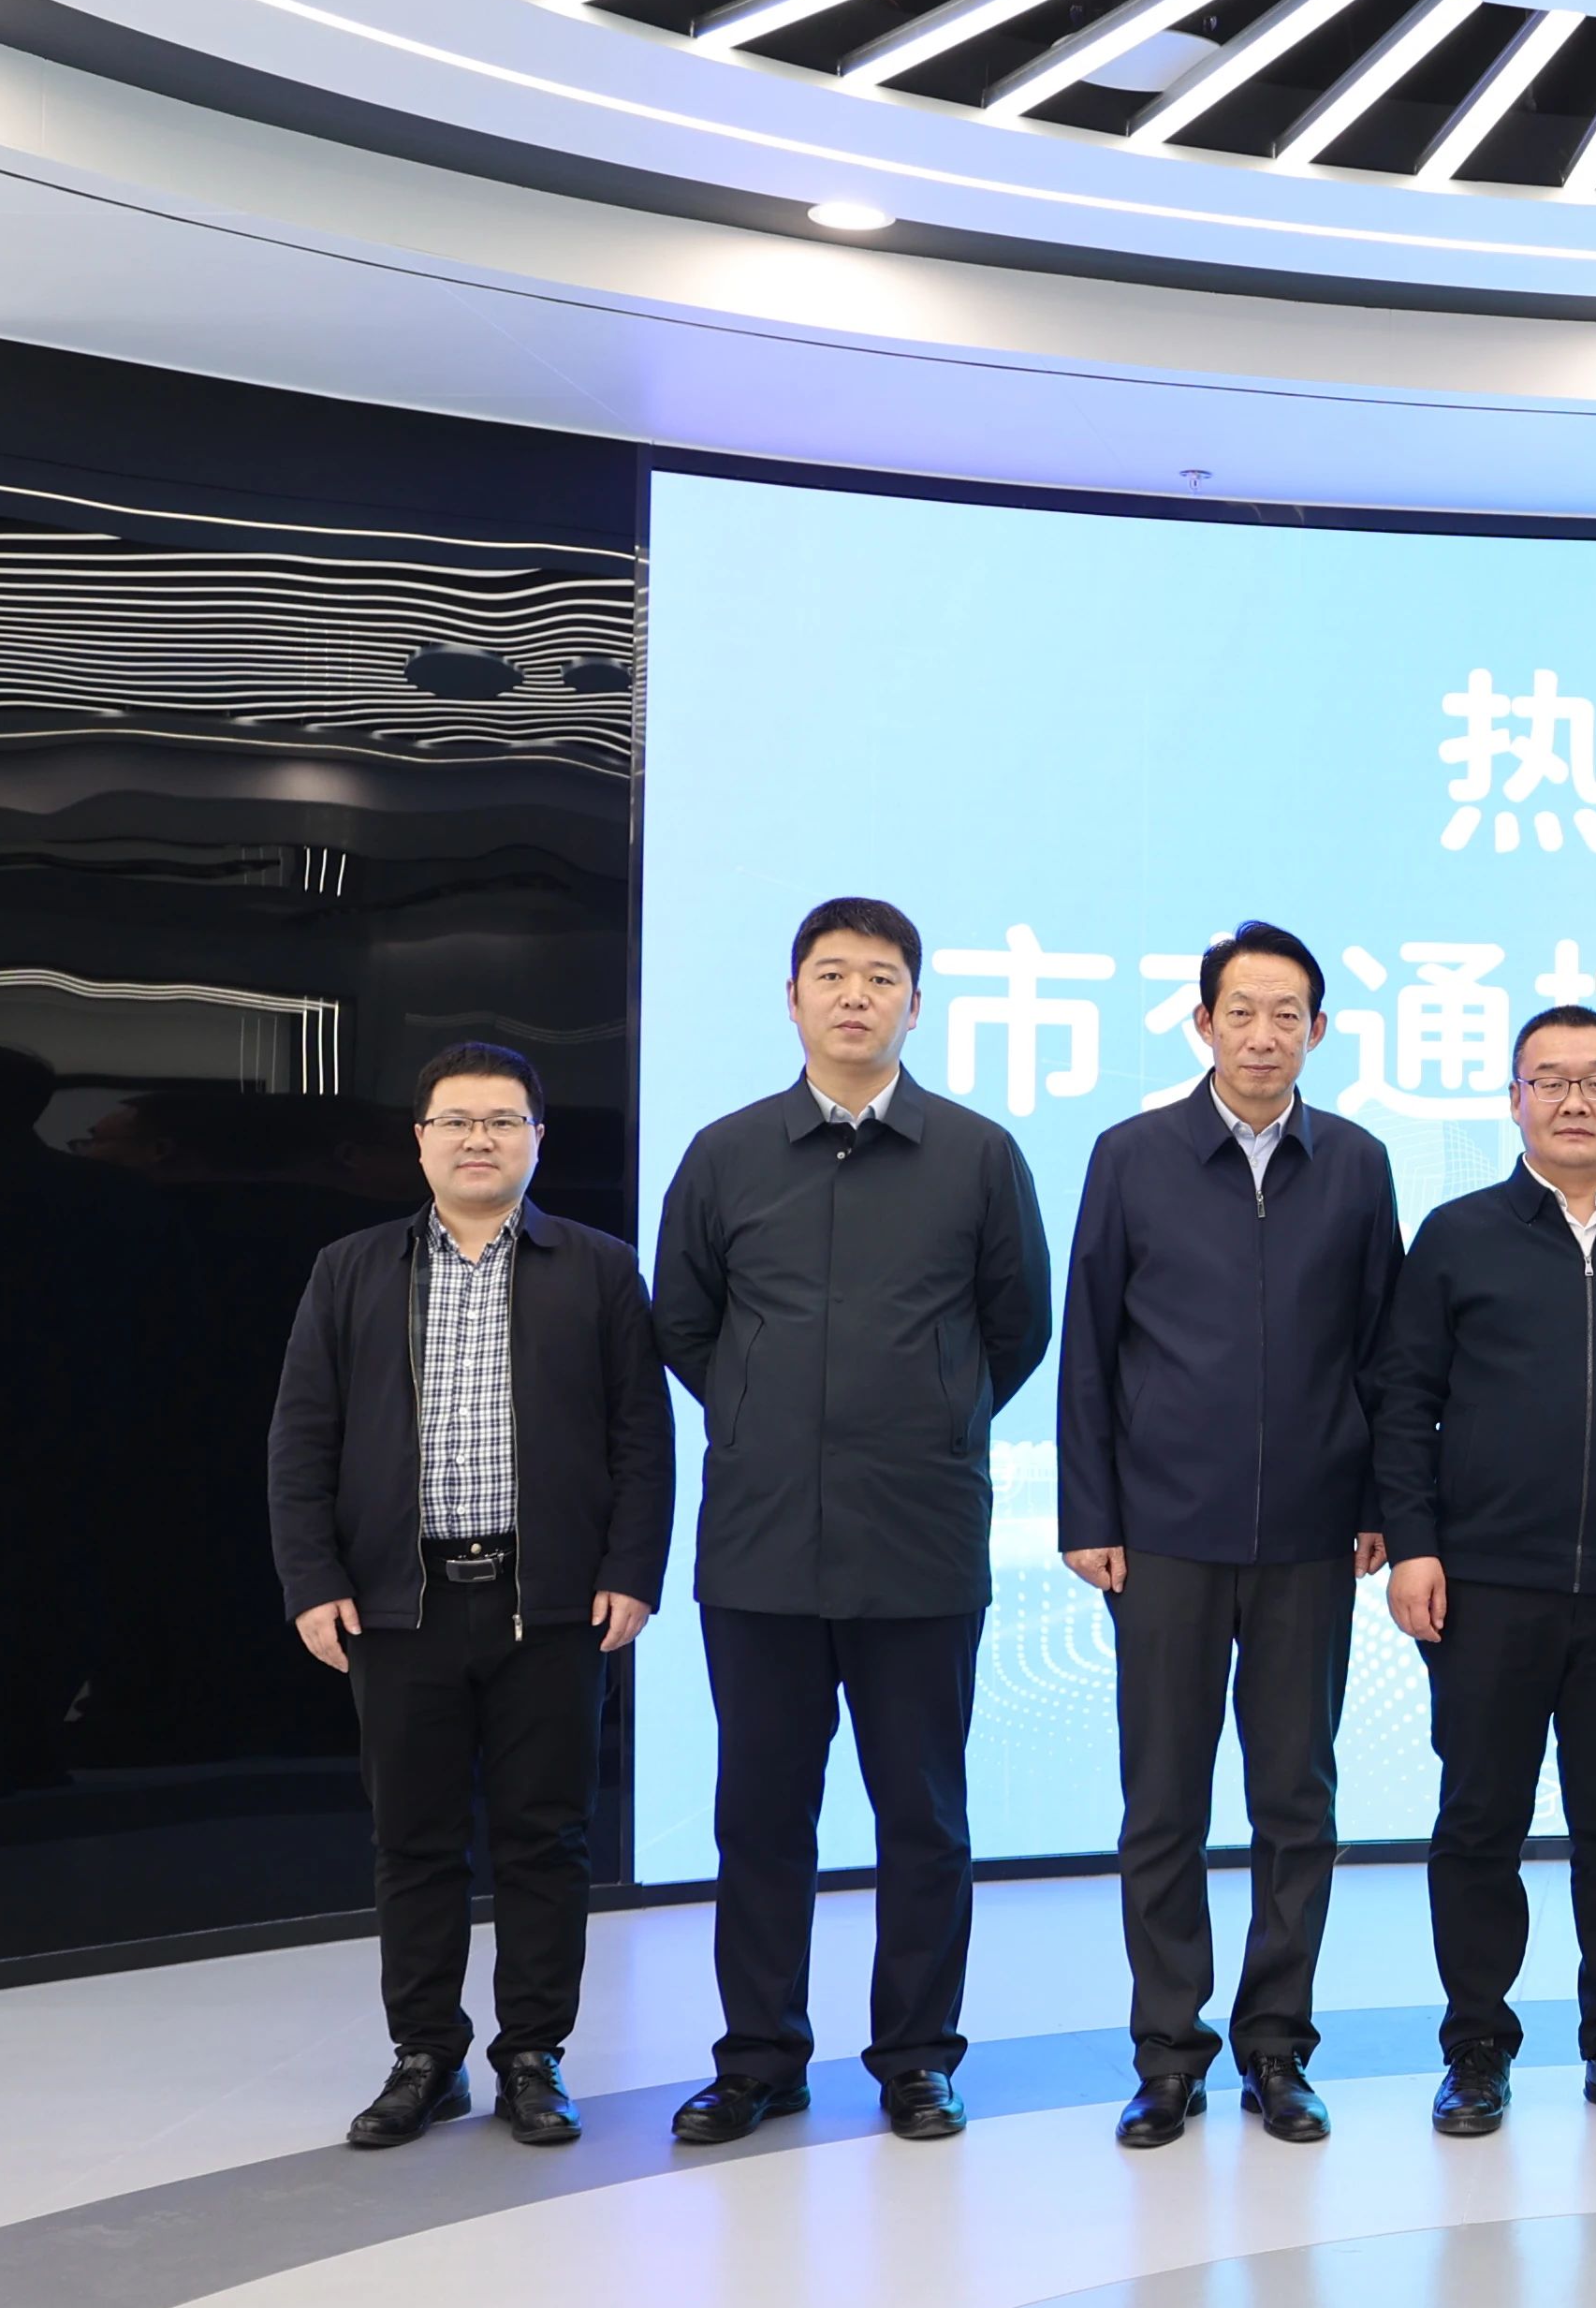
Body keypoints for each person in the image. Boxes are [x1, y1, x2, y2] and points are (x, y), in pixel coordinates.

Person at [652, 896, 1053, 2148]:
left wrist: (928, 1413)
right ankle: (760, 2057)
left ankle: (918, 2059)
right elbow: (684, 1323)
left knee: (922, 1818)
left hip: (919, 1538)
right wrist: (766, 1414)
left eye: (881, 978)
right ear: (792, 999)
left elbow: (1018, 1327)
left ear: (915, 1006)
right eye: (831, 975)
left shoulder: (977, 1155)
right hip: (762, 1543)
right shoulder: (725, 1154)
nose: (855, 997)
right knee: (760, 1818)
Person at [268, 1044, 667, 2154]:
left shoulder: (598, 1269)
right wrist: (312, 1578)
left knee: (548, 1839)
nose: (478, 1139)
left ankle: (532, 2055)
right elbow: (301, 1437)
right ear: (420, 1142)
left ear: (538, 1139)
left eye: (502, 1120)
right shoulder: (352, 1269)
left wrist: (631, 1570)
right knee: (414, 1838)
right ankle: (425, 2056)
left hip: (551, 1605)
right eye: (455, 1121)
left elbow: (643, 1437)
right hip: (401, 1605)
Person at [1055, 921, 1400, 2151]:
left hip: (1311, 1532)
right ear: (1203, 1024)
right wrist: (1090, 1514)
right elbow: (1088, 1345)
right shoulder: (1133, 1155)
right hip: (1162, 1533)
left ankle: (1277, 2047)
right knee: (1163, 1803)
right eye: (1241, 1012)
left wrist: (1379, 1504)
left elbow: (1384, 1350)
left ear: (1320, 1030)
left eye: (1287, 1014)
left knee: (1296, 1800)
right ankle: (1167, 2052)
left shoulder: (1355, 1163)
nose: (1263, 1035)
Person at [1376, 1003, 1596, 2137]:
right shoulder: (1458, 1235)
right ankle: (1476, 2046)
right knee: (1479, 1821)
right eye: (1552, 1080)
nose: (1575, 1100)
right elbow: (1405, 1402)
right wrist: (1415, 1543)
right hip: (1487, 1583)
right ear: (1515, 1099)